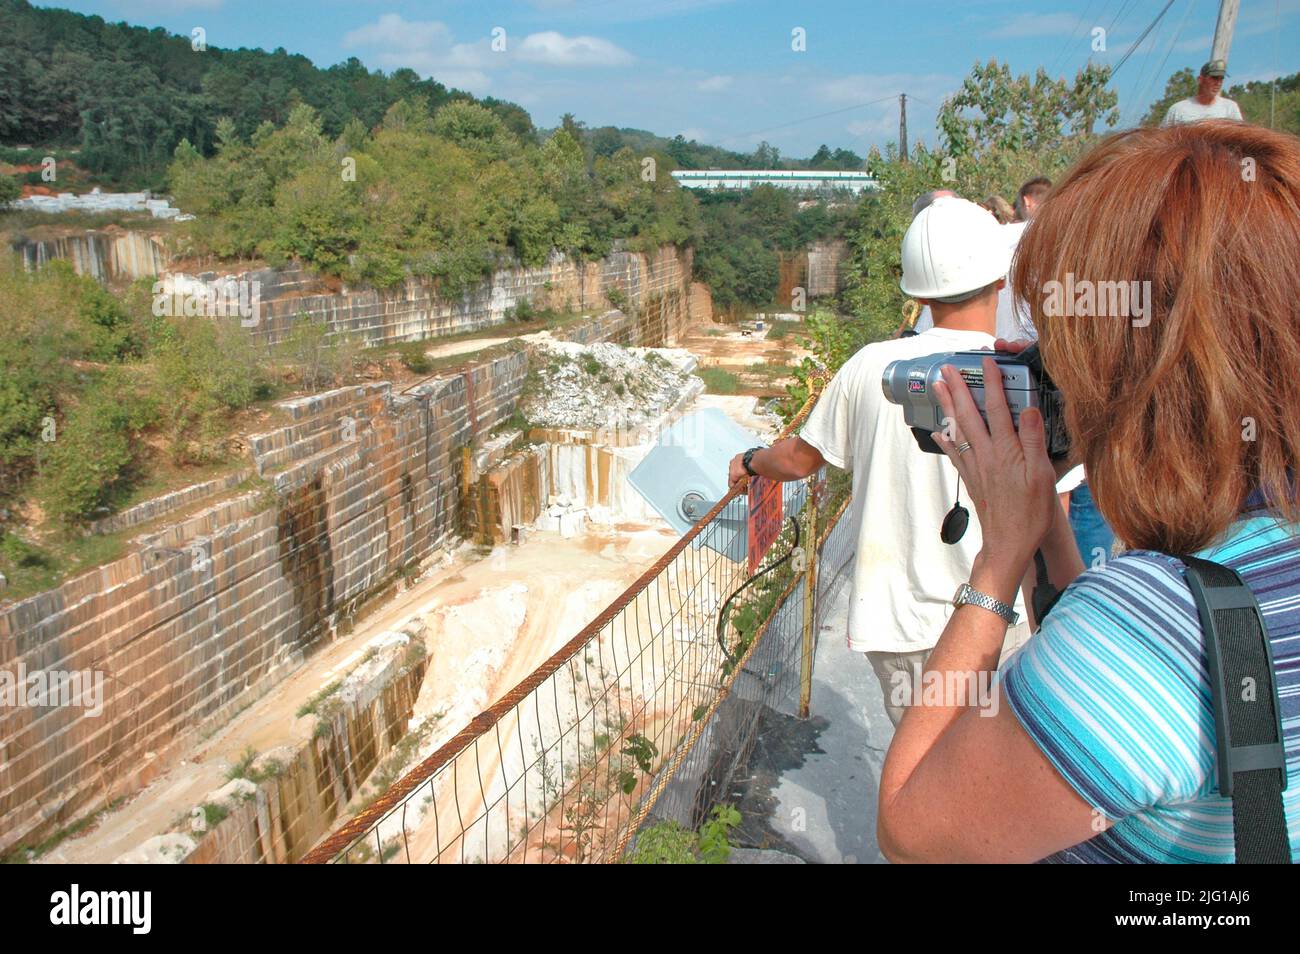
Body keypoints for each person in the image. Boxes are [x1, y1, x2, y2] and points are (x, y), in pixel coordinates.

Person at [877, 121, 1300, 862]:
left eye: (1063, 334)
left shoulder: (1156, 627)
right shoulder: (1247, 555)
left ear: (1134, 355)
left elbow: (912, 832)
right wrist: (1044, 522)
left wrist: (1000, 555)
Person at [728, 197, 1029, 727]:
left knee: (921, 775)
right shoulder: (1020, 377)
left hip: (896, 623)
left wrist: (752, 461)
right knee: (988, 773)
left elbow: (798, 461)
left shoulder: (871, 366)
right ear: (1002, 280)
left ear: (915, 293)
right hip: (996, 616)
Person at [1162, 60, 1243, 125]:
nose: (1218, 83)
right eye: (1214, 78)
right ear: (1200, 80)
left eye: (1221, 78)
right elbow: (1162, 139)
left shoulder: (1230, 108)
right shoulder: (1178, 110)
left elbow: (1240, 138)